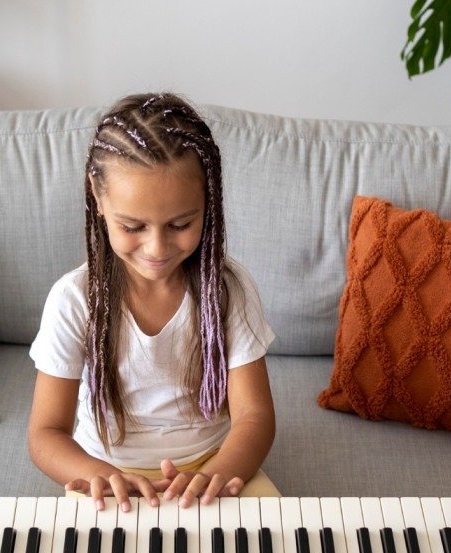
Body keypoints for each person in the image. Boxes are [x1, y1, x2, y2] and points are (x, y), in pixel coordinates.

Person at [28, 92, 279, 513]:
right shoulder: (74, 300)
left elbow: (255, 418)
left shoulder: (228, 289)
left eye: (181, 224)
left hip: (212, 466)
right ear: (97, 195)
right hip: (105, 476)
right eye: (132, 226)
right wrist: (100, 477)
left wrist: (216, 473)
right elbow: (46, 433)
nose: (157, 248)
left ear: (208, 203)